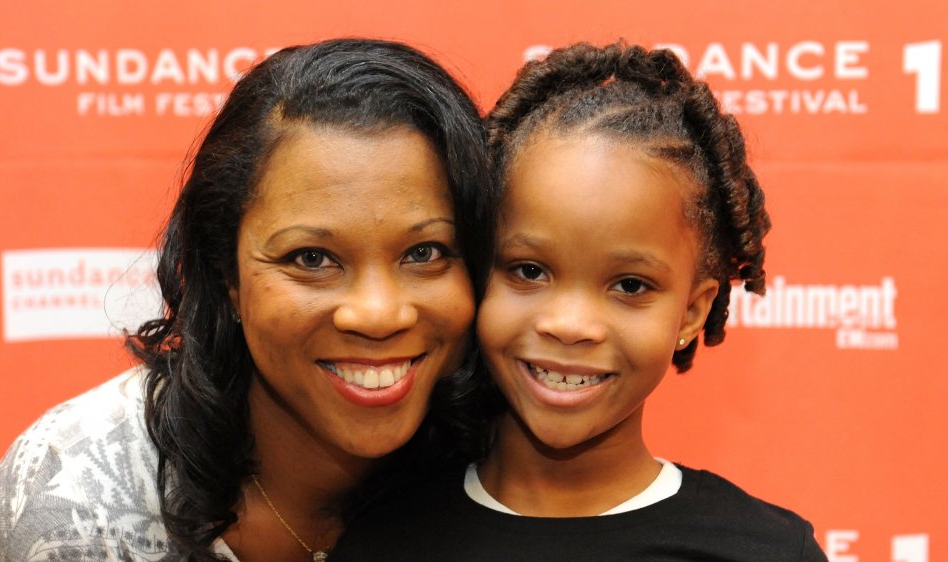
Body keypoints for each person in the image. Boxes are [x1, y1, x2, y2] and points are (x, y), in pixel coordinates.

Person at [0, 38, 491, 562]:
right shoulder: (78, 503)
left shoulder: (515, 462)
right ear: (227, 271)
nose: (378, 313)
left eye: (425, 252)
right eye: (311, 259)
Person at [330, 41, 827, 560]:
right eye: (529, 271)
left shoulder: (765, 551)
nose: (570, 325)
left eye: (630, 286)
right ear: (478, 275)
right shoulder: (383, 540)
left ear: (693, 311)